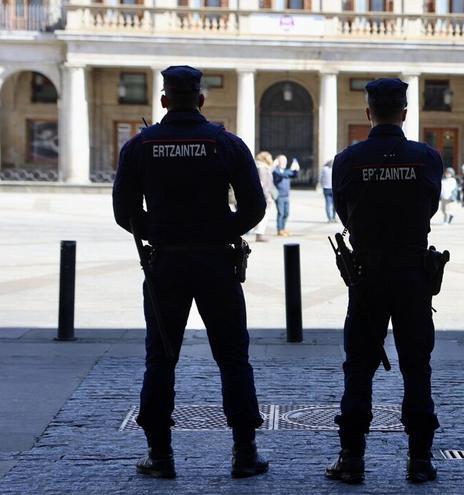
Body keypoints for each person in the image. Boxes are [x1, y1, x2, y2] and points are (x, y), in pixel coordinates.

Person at [112, 66, 269, 480]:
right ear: (201, 100)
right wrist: (220, 230)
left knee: (160, 358)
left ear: (164, 100)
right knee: (233, 358)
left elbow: (123, 213)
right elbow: (254, 207)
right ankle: (244, 452)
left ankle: (160, 455)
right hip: (216, 260)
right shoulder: (225, 143)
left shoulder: (140, 146)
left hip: (165, 262)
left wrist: (159, 232)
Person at [326, 78, 444, 484]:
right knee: (417, 366)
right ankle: (421, 460)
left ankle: (352, 458)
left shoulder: (349, 159)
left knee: (359, 367)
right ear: (405, 113)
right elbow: (429, 207)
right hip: (412, 273)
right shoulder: (426, 158)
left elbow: (344, 210)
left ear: (368, 113)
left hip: (368, 274)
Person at [272, 154, 299, 236]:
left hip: (286, 195)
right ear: (277, 161)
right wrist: (291, 170)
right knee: (281, 213)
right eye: (282, 160)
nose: (284, 162)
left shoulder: (286, 171)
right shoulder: (275, 171)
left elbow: (294, 175)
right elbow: (281, 175)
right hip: (279, 196)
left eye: (285, 161)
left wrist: (296, 169)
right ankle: (279, 229)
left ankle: (283, 229)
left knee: (286, 213)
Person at [253, 151, 276, 242]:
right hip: (263, 196)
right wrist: (268, 197)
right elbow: (263, 185)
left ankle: (259, 233)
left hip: (260, 195)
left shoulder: (260, 167)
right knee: (263, 216)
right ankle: (259, 235)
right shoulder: (262, 169)